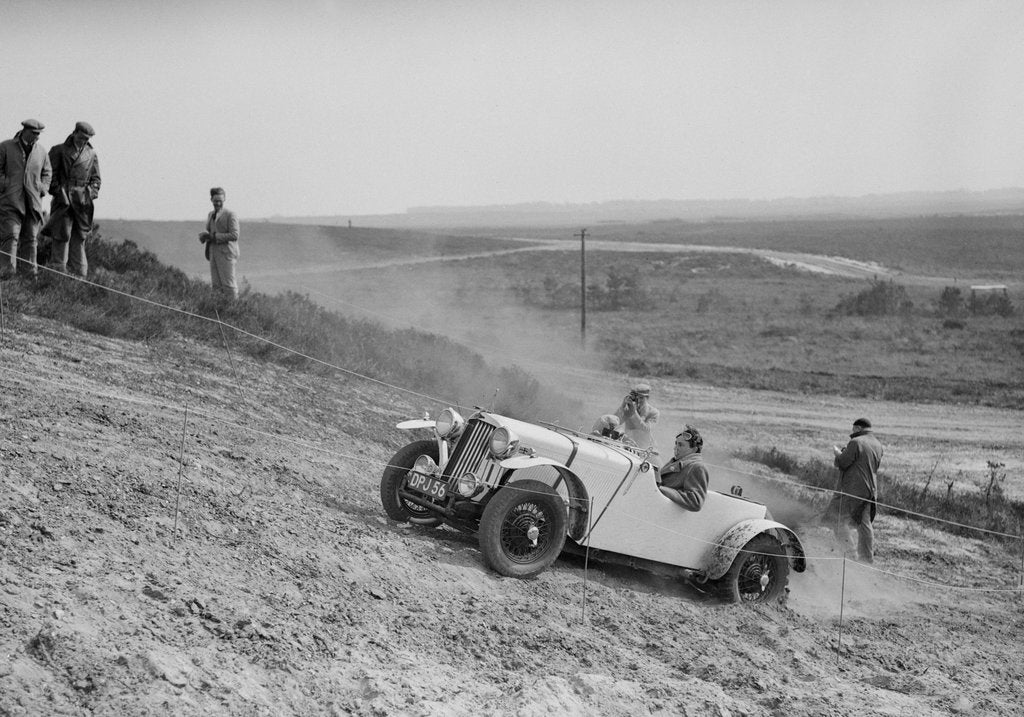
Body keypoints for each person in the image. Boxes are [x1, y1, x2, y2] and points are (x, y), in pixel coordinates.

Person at [44, 121, 101, 277]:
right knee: (61, 236)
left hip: (83, 203)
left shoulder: (92, 154)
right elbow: (50, 176)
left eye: (87, 139)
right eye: (82, 137)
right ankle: (57, 276)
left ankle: (79, 278)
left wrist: (91, 193)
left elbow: (96, 179)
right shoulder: (59, 150)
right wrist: (59, 192)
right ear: (74, 133)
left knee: (79, 237)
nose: (84, 141)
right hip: (64, 201)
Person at [0, 119, 52, 280]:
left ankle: (29, 279)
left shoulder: (41, 152)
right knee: (11, 236)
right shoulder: (6, 147)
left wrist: (42, 188)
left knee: (30, 239)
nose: (36, 137)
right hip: (10, 201)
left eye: (39, 134)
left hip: (33, 203)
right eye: (34, 133)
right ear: (25, 130)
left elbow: (47, 173)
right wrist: (5, 184)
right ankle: (7, 277)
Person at [827, 417, 884, 563]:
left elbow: (843, 462)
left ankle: (850, 554)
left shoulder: (856, 442)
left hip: (854, 489)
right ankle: (866, 558)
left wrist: (838, 453)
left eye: (853, 429)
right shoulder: (878, 444)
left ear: (858, 428)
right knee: (864, 523)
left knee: (837, 519)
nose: (852, 432)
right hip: (870, 490)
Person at [198, 187, 240, 300]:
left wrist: (214, 236)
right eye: (215, 200)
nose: (218, 203)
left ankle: (235, 311)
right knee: (216, 286)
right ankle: (220, 311)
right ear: (211, 200)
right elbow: (211, 231)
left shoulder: (231, 214)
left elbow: (235, 235)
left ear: (224, 199)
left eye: (220, 200)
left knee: (229, 286)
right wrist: (205, 237)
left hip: (226, 255)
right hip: (213, 254)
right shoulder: (210, 214)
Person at [657, 425, 709, 511]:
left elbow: (695, 501)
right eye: (676, 444)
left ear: (694, 449)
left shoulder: (697, 467)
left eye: (680, 445)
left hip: (668, 514)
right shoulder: (677, 462)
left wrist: (660, 490)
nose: (675, 448)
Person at [612, 382, 660, 450]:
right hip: (628, 445)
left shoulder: (653, 412)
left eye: (641, 398)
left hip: (645, 448)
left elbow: (646, 429)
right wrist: (622, 406)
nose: (639, 401)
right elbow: (614, 422)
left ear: (647, 398)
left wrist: (633, 412)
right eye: (636, 398)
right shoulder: (628, 408)